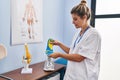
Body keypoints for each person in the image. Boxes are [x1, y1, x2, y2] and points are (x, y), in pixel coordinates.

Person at [49, 0, 101, 80]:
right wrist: (59, 44)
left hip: (84, 76)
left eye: (75, 19)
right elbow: (72, 51)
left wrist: (59, 54)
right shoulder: (78, 33)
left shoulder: (93, 35)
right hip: (71, 75)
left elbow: (79, 57)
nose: (72, 22)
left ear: (84, 17)